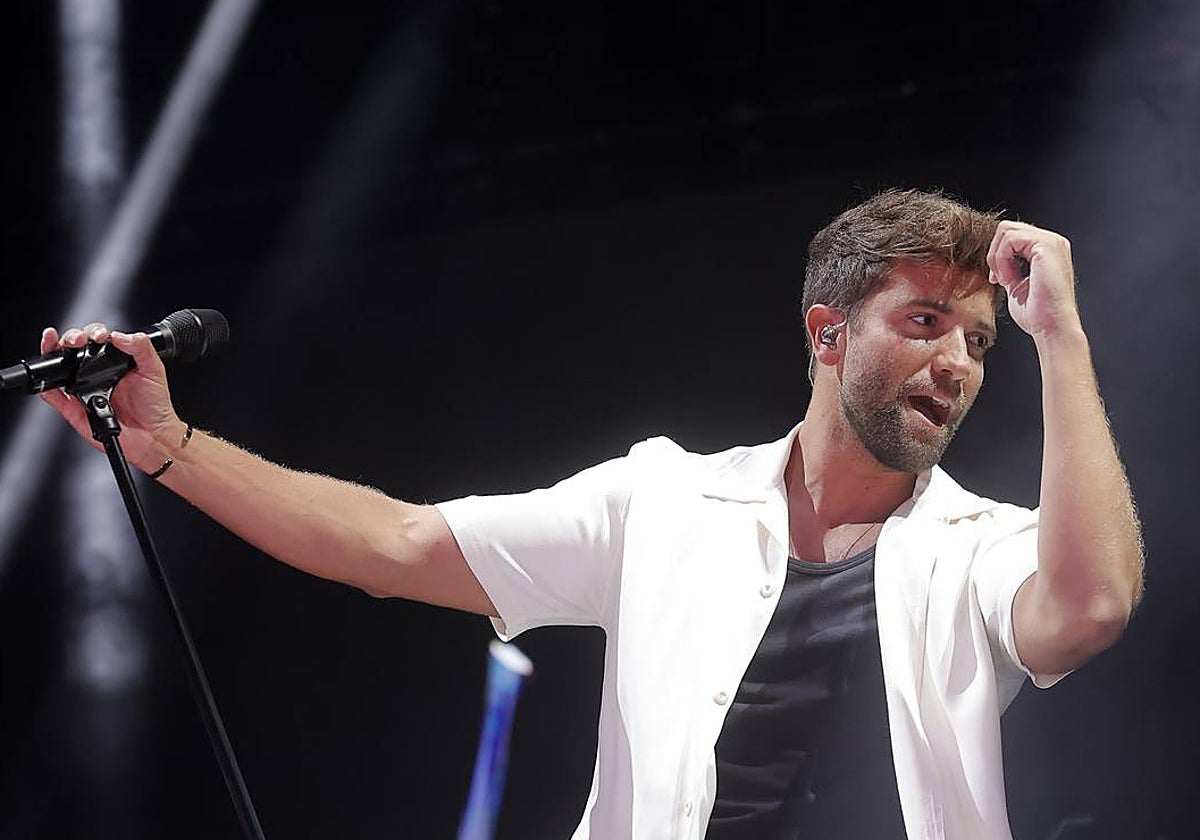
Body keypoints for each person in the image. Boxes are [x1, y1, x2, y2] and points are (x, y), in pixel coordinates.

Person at [40, 189, 1143, 839]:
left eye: (980, 343)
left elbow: (1089, 604)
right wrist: (164, 445)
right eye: (925, 321)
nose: (956, 361)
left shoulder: (986, 546)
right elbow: (397, 544)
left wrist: (1061, 336)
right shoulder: (663, 500)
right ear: (828, 333)